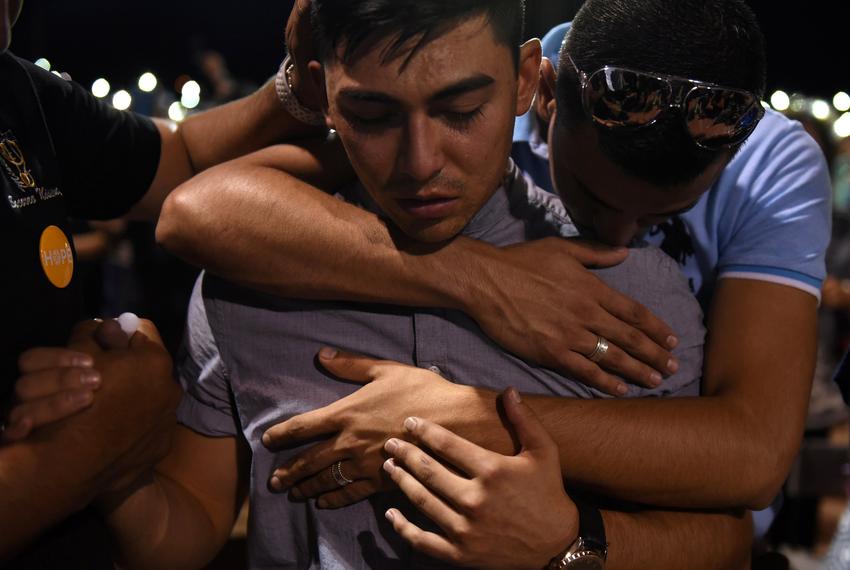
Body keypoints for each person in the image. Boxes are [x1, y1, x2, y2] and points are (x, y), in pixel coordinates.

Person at [106, 0, 752, 568]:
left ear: (527, 80)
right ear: (320, 91)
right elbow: (185, 524)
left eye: (462, 110)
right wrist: (110, 460)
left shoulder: (633, 296)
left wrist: (566, 543)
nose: (420, 164)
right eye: (371, 115)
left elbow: (721, 547)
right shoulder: (248, 275)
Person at [0, 0, 320, 564]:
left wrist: (301, 80)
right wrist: (86, 449)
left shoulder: (17, 92)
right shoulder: (231, 305)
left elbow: (183, 156)